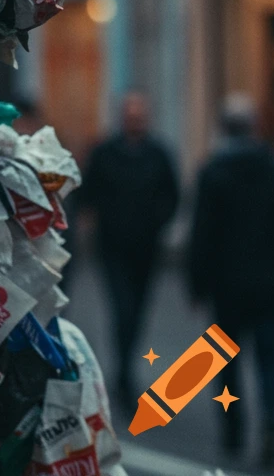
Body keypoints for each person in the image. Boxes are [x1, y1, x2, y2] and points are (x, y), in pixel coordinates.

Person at [188, 93, 274, 464]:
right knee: (269, 361)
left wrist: (197, 283)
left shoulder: (213, 173)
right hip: (270, 284)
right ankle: (273, 425)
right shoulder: (272, 170)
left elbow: (202, 234)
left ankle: (232, 430)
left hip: (227, 286)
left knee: (225, 361)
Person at [81, 91, 179, 403]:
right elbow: (88, 193)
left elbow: (172, 193)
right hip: (112, 247)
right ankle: (123, 372)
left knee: (137, 311)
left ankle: (126, 364)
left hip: (146, 248)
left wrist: (158, 223)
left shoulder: (158, 154)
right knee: (122, 309)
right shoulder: (106, 153)